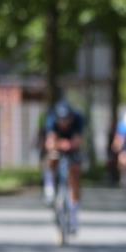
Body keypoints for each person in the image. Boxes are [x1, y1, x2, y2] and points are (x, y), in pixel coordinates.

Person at [43, 100, 85, 233]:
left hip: (72, 148)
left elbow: (77, 141)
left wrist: (69, 144)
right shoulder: (51, 120)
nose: (64, 123)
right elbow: (50, 142)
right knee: (51, 157)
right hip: (59, 146)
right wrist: (60, 144)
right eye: (61, 120)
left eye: (67, 120)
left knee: (75, 173)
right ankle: (49, 185)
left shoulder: (78, 119)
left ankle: (74, 215)